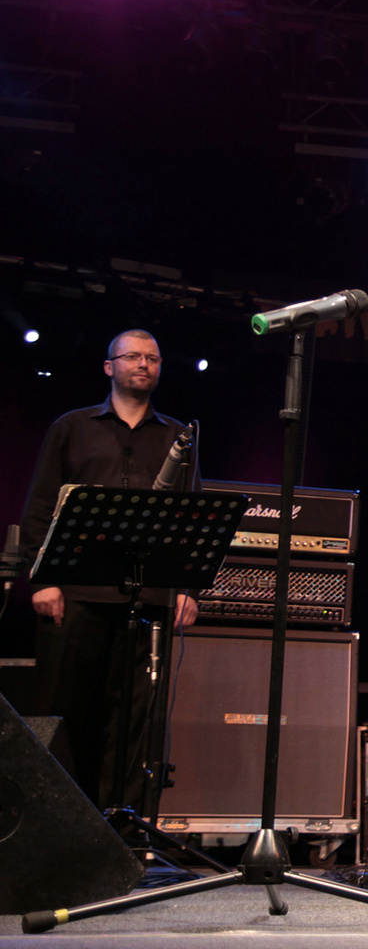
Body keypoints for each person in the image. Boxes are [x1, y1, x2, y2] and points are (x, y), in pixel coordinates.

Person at [17, 329, 201, 812]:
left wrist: (183, 588)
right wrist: (43, 579)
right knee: (63, 713)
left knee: (136, 722)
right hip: (75, 595)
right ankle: (58, 824)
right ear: (109, 366)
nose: (144, 364)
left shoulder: (177, 437)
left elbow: (188, 520)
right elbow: (39, 507)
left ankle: (124, 831)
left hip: (147, 600)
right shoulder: (72, 427)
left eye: (153, 358)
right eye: (133, 356)